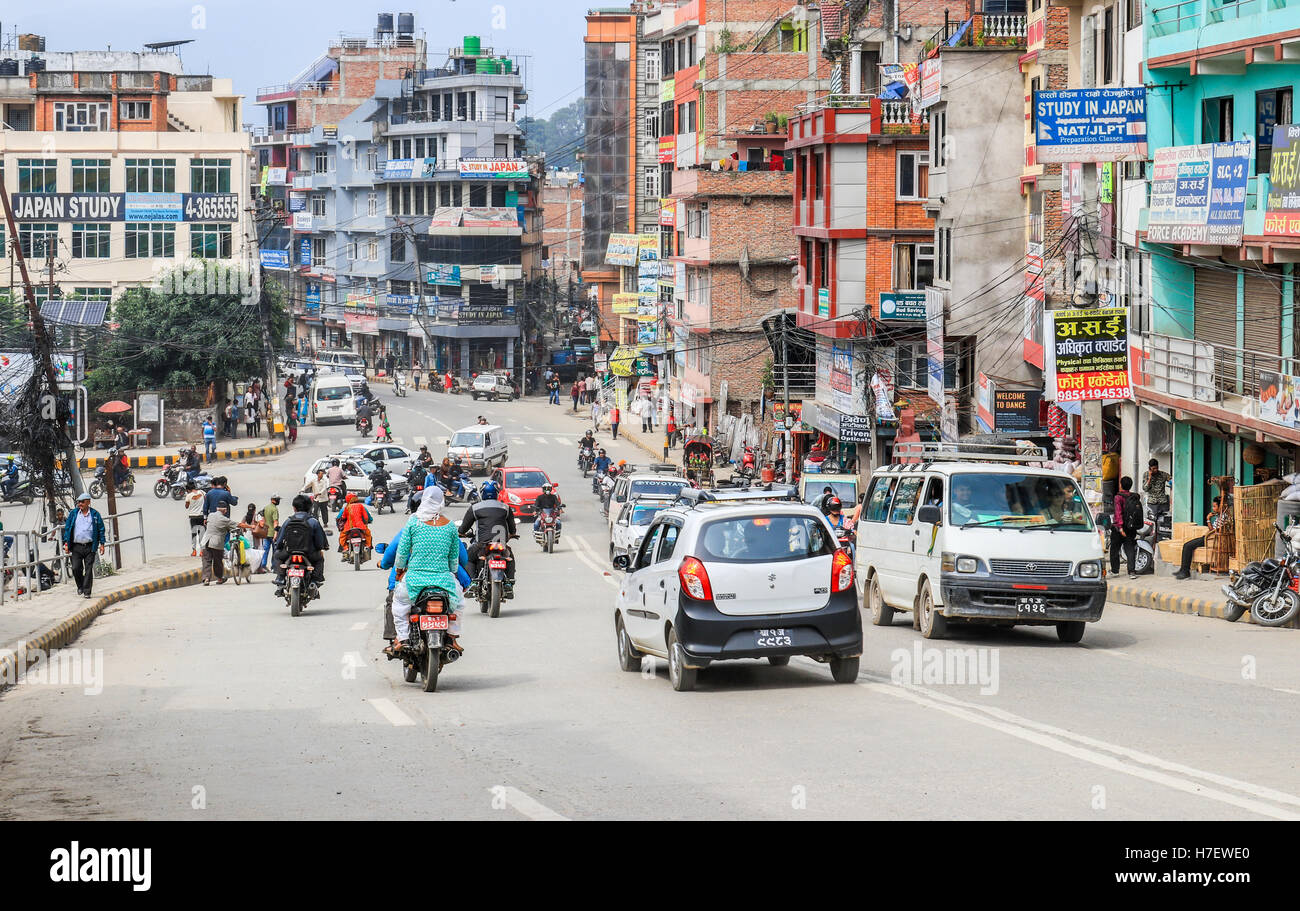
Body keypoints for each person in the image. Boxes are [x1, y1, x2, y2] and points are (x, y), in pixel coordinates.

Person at [389, 486, 464, 658]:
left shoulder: (414, 522)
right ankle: (452, 637)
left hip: (415, 579)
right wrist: (451, 574)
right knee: (459, 604)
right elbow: (454, 559)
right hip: (444, 580)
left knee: (400, 605)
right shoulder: (450, 526)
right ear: (441, 502)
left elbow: (402, 552)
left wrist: (399, 571)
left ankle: (402, 638)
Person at [459, 480, 517, 597]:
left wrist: (461, 533)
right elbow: (512, 529)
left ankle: (474, 581)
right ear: (496, 493)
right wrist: (511, 535)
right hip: (501, 545)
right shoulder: (505, 508)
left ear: (482, 493)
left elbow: (463, 528)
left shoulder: (475, 508)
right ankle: (509, 583)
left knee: (468, 558)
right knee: (510, 557)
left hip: (482, 544)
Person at [272, 494, 328, 592]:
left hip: (289, 552)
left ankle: (280, 578)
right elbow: (320, 542)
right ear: (310, 507)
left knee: (277, 555)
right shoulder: (313, 522)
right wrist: (320, 548)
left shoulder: (288, 521)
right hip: (309, 553)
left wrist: (279, 547)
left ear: (294, 508)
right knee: (320, 559)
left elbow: (280, 540)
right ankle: (314, 580)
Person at [63, 492, 106, 598]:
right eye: (79, 502)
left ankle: (87, 592)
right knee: (76, 568)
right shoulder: (74, 514)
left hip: (90, 546)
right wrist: (66, 543)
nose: (80, 504)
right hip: (76, 546)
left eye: (82, 502)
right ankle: (80, 586)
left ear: (88, 502)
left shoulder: (95, 514)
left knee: (88, 569)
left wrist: (102, 544)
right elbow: (68, 528)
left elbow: (101, 529)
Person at [1173, 497, 1228, 580]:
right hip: (1209, 537)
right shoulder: (1220, 516)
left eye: (1214, 506)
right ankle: (1182, 569)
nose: (1213, 508)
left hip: (1211, 540)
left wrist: (1208, 520)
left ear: (1220, 506)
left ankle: (1185, 572)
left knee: (1187, 546)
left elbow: (1213, 531)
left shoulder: (1223, 517)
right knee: (1188, 544)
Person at [200, 501, 248, 585]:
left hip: (205, 541)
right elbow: (239, 524)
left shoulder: (210, 515)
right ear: (225, 511)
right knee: (217, 561)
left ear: (217, 509)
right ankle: (219, 578)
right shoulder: (225, 520)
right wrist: (251, 526)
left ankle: (206, 579)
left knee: (206, 561)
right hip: (216, 543)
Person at [1111, 476, 1140, 579]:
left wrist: (1120, 528)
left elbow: (1118, 513)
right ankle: (1132, 571)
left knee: (1114, 549)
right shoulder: (1135, 497)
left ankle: (1115, 571)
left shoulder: (1118, 497)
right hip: (1131, 527)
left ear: (1121, 485)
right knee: (1130, 548)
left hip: (1120, 527)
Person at [1142, 459, 1171, 537]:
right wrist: (1150, 478)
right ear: (1150, 468)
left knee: (1164, 523)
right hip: (1152, 504)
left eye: (1156, 468)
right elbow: (1145, 488)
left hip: (1163, 503)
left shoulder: (1163, 474)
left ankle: (1161, 538)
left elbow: (1172, 481)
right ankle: (1153, 538)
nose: (1156, 470)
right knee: (1152, 523)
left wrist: (1171, 483)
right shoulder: (1146, 475)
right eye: (1153, 468)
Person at [301, 467, 332, 533]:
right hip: (316, 499)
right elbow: (307, 485)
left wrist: (319, 493)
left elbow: (324, 488)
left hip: (323, 499)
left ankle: (325, 523)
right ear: (317, 474)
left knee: (324, 511)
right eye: (321, 474)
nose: (322, 475)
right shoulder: (313, 480)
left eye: (322, 474)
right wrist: (302, 489)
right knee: (315, 511)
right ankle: (315, 522)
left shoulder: (324, 481)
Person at [259, 495, 282, 573]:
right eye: (278, 500)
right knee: (275, 551)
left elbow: (263, 520)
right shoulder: (274, 509)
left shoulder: (266, 508)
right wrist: (276, 533)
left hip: (266, 533)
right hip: (272, 533)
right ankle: (274, 567)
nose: (279, 501)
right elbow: (275, 522)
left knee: (265, 550)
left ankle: (263, 566)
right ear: (274, 500)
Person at [184, 481, 206, 556]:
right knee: (202, 533)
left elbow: (186, 506)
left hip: (193, 516)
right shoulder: (202, 492)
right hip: (202, 516)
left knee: (194, 533)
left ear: (188, 490)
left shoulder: (189, 495)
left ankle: (194, 551)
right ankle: (202, 551)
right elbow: (206, 500)